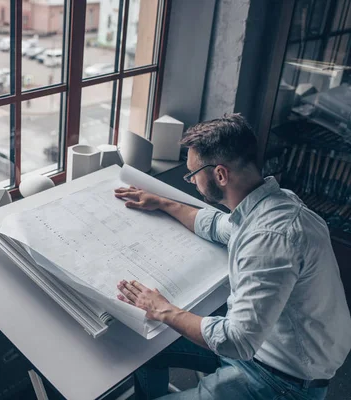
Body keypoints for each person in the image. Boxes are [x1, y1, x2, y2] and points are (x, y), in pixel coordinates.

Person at [114, 114, 351, 399]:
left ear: (220, 175)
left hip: (281, 380)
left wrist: (162, 309)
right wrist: (162, 203)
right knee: (147, 351)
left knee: (165, 325)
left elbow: (237, 341)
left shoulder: (271, 237)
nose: (191, 182)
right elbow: (216, 225)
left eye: (192, 174)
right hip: (266, 349)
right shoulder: (272, 203)